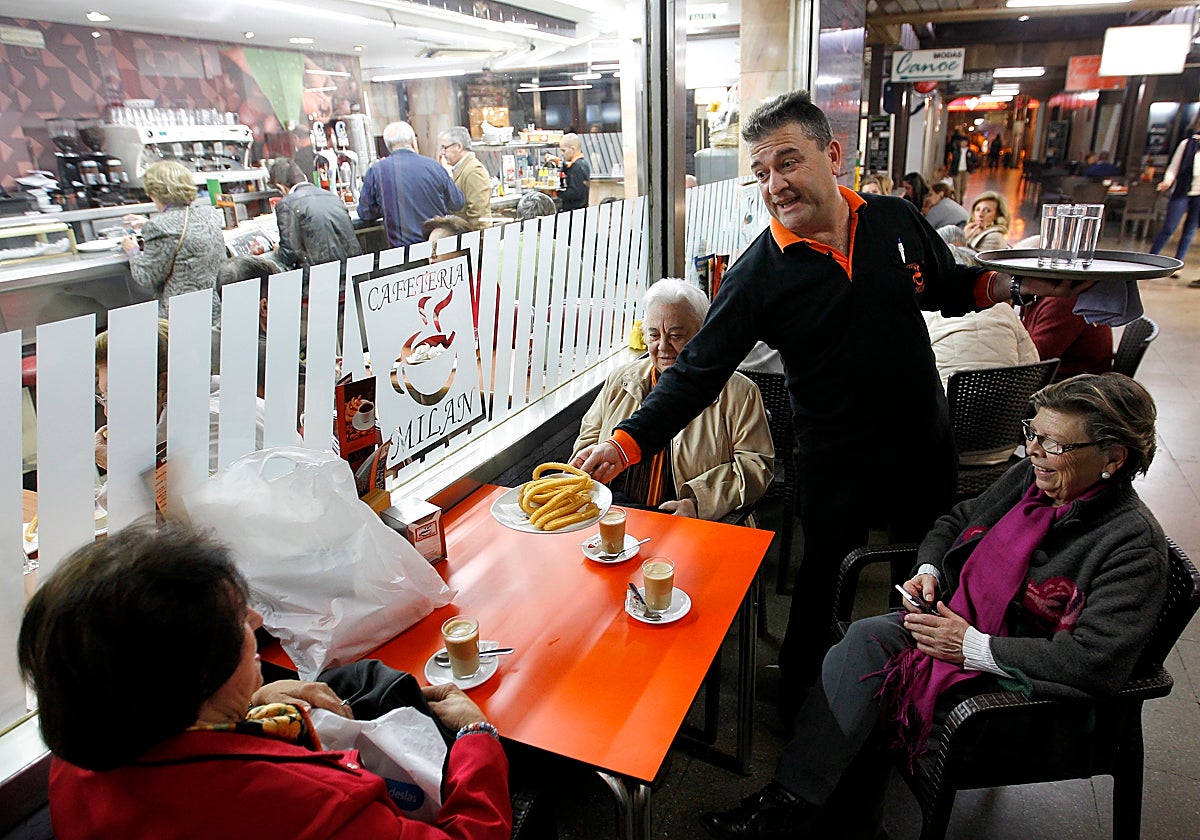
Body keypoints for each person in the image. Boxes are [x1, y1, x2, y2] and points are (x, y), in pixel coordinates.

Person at [572, 90, 1088, 708]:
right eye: (761, 172)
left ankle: (912, 687)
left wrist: (1009, 283)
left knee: (925, 571)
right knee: (822, 579)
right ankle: (796, 691)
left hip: (924, 441)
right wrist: (625, 443)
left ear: (832, 154)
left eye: (787, 162)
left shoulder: (894, 221)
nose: (774, 184)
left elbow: (949, 284)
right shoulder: (759, 272)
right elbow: (696, 374)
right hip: (834, 458)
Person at [701, 373, 1167, 839]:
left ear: (1113, 457)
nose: (1033, 453)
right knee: (863, 644)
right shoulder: (1031, 480)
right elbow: (957, 520)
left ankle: (800, 811)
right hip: (961, 632)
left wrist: (972, 647)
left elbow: (1093, 664)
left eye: (1054, 445)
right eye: (1033, 435)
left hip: (1026, 697)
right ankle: (802, 807)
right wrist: (931, 572)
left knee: (867, 689)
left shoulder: (1132, 545)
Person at [18, 523, 512, 839]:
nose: (256, 620)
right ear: (197, 677)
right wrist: (477, 740)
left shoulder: (76, 765)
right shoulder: (317, 808)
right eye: (236, 619)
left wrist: (246, 703)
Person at [571, 279, 774, 522]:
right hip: (616, 515)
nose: (663, 346)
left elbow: (756, 466)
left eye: (676, 335)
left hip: (687, 520)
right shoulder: (621, 380)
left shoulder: (739, 392)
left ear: (703, 335)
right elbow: (589, 438)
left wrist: (698, 502)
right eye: (653, 334)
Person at [120, 160, 226, 324]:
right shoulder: (209, 214)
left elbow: (147, 277)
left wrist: (132, 250)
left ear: (155, 192)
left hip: (183, 315)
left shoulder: (159, 227)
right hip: (215, 307)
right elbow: (180, 224)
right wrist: (148, 223)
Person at [358, 121, 465, 248]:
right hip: (437, 248)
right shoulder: (434, 167)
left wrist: (386, 206)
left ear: (388, 146)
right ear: (413, 141)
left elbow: (365, 213)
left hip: (404, 254)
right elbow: (457, 202)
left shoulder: (377, 171)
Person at [266, 157, 361, 270]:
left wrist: (278, 250)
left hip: (318, 278)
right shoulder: (332, 197)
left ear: (281, 187)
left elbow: (289, 254)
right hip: (350, 271)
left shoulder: (287, 204)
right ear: (305, 177)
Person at [922, 303, 1040, 391]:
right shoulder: (1005, 310)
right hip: (1007, 413)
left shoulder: (925, 315)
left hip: (947, 413)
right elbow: (1032, 366)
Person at [1150, 122, 1200, 286]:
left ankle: (1178, 263)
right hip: (1182, 191)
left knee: (1190, 229)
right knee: (1169, 227)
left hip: (1198, 195)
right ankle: (1152, 259)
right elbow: (1174, 167)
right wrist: (1167, 182)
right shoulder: (1188, 144)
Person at [1020, 294, 1114, 381]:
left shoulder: (1064, 300)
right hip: (1055, 378)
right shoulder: (1036, 295)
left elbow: (1031, 358)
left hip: (1077, 387)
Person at [438, 126, 492, 230]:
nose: (443, 153)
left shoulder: (474, 170)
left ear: (458, 146)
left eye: (445, 148)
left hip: (472, 239)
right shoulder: (461, 169)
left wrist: (474, 242)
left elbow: (479, 214)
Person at [558, 133, 591, 211]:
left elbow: (575, 193)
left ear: (572, 149)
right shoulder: (583, 164)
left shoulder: (576, 167)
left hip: (574, 211)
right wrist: (558, 161)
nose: (562, 154)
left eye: (563, 150)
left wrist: (556, 193)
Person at [946, 133, 976, 204]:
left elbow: (974, 160)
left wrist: (971, 166)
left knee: (964, 187)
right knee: (957, 187)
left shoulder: (970, 151)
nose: (964, 143)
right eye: (962, 142)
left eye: (965, 142)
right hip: (957, 171)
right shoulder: (956, 150)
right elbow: (953, 161)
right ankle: (958, 202)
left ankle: (960, 199)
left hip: (965, 171)